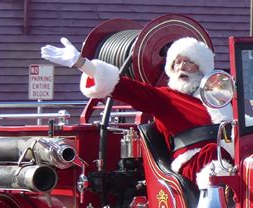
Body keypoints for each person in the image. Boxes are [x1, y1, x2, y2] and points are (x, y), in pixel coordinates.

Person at [41, 37, 233, 190]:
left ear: (201, 68)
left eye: (188, 62)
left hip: (228, 153)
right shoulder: (165, 98)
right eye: (176, 63)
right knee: (220, 160)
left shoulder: (222, 97)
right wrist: (82, 64)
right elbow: (126, 87)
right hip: (196, 161)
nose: (181, 67)